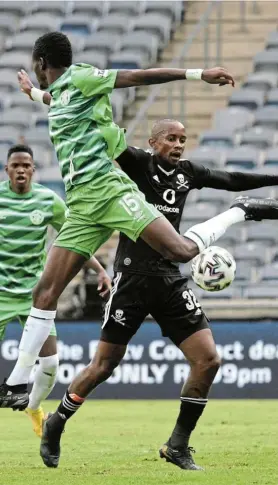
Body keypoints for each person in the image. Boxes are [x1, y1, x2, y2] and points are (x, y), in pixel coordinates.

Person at [1, 31, 278, 433]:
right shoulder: (61, 93)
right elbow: (53, 100)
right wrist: (31, 94)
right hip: (81, 204)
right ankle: (16, 381)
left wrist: (198, 73)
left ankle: (239, 213)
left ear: (42, 62)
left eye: (36, 70)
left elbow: (134, 76)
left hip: (108, 191)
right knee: (45, 292)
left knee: (182, 251)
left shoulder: (81, 77)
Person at [37, 119, 278, 469]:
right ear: (153, 142)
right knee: (103, 365)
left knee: (208, 360)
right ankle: (56, 422)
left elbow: (231, 180)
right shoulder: (136, 163)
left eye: (183, 139)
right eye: (171, 139)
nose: (178, 145)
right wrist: (53, 98)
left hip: (169, 280)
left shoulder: (187, 173)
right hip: (131, 279)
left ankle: (177, 445)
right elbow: (98, 131)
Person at [0, 144, 111, 437]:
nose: (21, 170)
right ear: (7, 169)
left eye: (26, 166)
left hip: (34, 297)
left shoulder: (48, 201)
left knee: (50, 364)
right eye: (15, 166)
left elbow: (76, 240)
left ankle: (34, 409)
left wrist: (99, 270)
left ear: (33, 170)